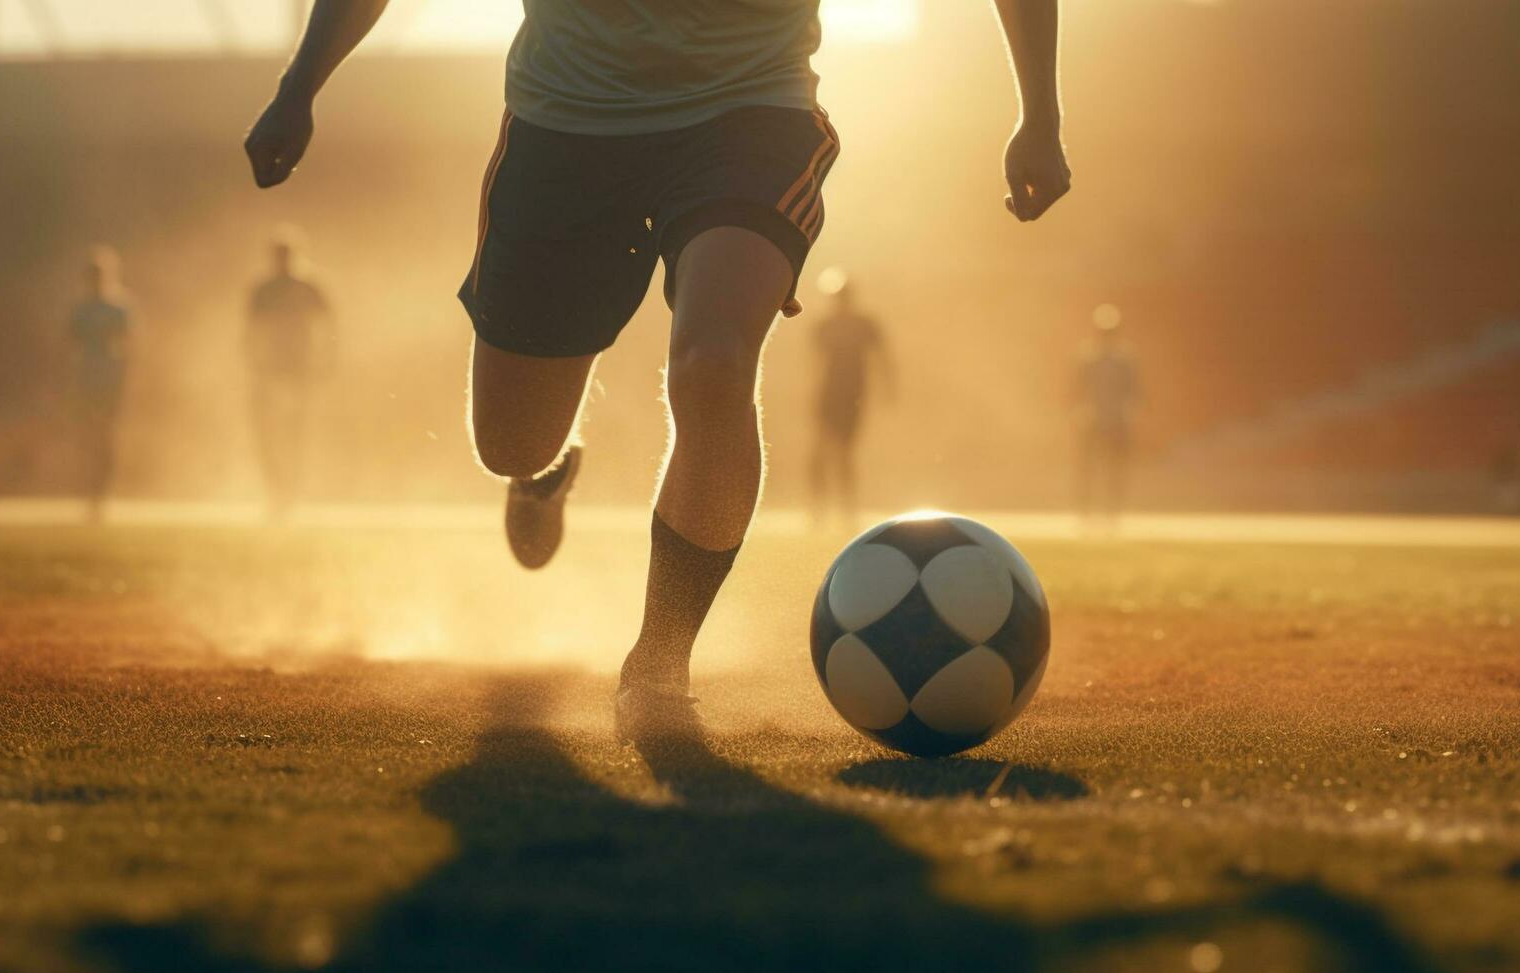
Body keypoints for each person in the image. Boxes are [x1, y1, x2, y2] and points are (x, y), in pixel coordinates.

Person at [243, 0, 1072, 734]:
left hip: (750, 120)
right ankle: (544, 471)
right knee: (510, 445)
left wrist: (1039, 113)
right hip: (563, 133)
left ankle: (659, 662)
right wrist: (299, 87)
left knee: (713, 364)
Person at [245, 230, 334, 521]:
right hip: (270, 368)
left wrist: (326, 360)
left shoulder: (308, 287)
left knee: (296, 432)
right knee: (269, 432)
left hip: (300, 368)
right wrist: (254, 364)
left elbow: (329, 325)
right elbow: (251, 330)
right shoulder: (264, 290)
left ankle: (291, 491)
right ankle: (275, 488)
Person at [807, 269, 894, 527]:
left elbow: (883, 359)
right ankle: (818, 508)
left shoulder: (864, 324)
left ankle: (847, 509)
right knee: (820, 452)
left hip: (852, 395)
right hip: (828, 394)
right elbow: (814, 364)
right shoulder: (824, 326)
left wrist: (888, 388)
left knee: (844, 452)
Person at [68, 246, 133, 523]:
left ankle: (102, 494)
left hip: (109, 379)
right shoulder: (81, 309)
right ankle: (90, 493)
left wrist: (124, 377)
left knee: (105, 436)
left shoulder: (118, 307)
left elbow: (129, 345)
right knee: (88, 437)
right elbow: (70, 344)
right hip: (86, 378)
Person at [1073, 304, 1139, 526]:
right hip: (1092, 419)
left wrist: (1128, 413)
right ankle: (1086, 512)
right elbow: (1076, 389)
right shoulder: (1088, 358)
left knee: (1114, 469)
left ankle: (1112, 513)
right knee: (1088, 469)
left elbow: (1134, 390)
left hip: (1117, 419)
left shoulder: (1124, 359)